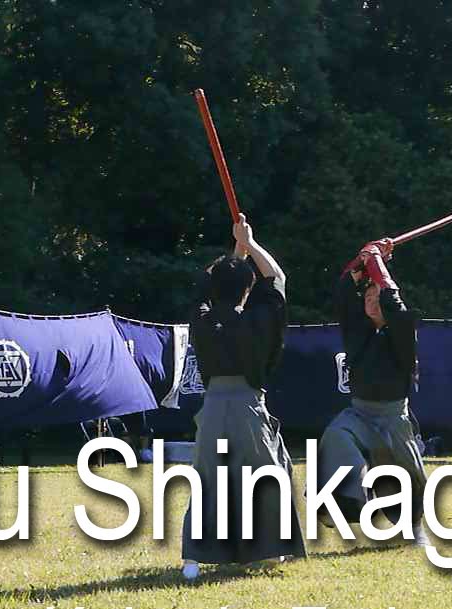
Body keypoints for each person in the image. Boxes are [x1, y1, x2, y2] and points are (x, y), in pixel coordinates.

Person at [181, 215, 305, 580]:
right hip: (249, 407)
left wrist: (236, 252)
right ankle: (269, 550)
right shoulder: (258, 321)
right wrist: (250, 244)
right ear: (247, 290)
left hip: (213, 408)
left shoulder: (202, 319)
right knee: (266, 475)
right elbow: (277, 278)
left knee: (208, 478)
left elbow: (206, 285)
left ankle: (194, 558)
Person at [319, 236, 429, 545]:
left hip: (393, 415)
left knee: (411, 476)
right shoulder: (358, 330)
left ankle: (413, 528)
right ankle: (334, 505)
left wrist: (377, 262)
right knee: (335, 437)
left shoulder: (403, 331)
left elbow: (393, 297)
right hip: (358, 412)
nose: (370, 300)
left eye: (375, 294)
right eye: (367, 294)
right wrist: (364, 257)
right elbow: (343, 289)